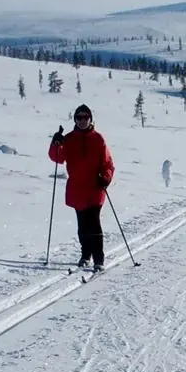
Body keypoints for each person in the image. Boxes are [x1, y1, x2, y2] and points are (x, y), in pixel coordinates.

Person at [48, 104, 116, 271]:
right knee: (82, 225)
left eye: (85, 117)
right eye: (79, 117)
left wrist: (106, 177)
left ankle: (98, 259)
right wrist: (56, 142)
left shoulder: (98, 139)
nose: (82, 120)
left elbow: (108, 164)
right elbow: (57, 158)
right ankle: (86, 255)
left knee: (94, 224)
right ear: (75, 120)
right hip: (77, 189)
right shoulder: (69, 139)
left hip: (95, 188)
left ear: (90, 119)